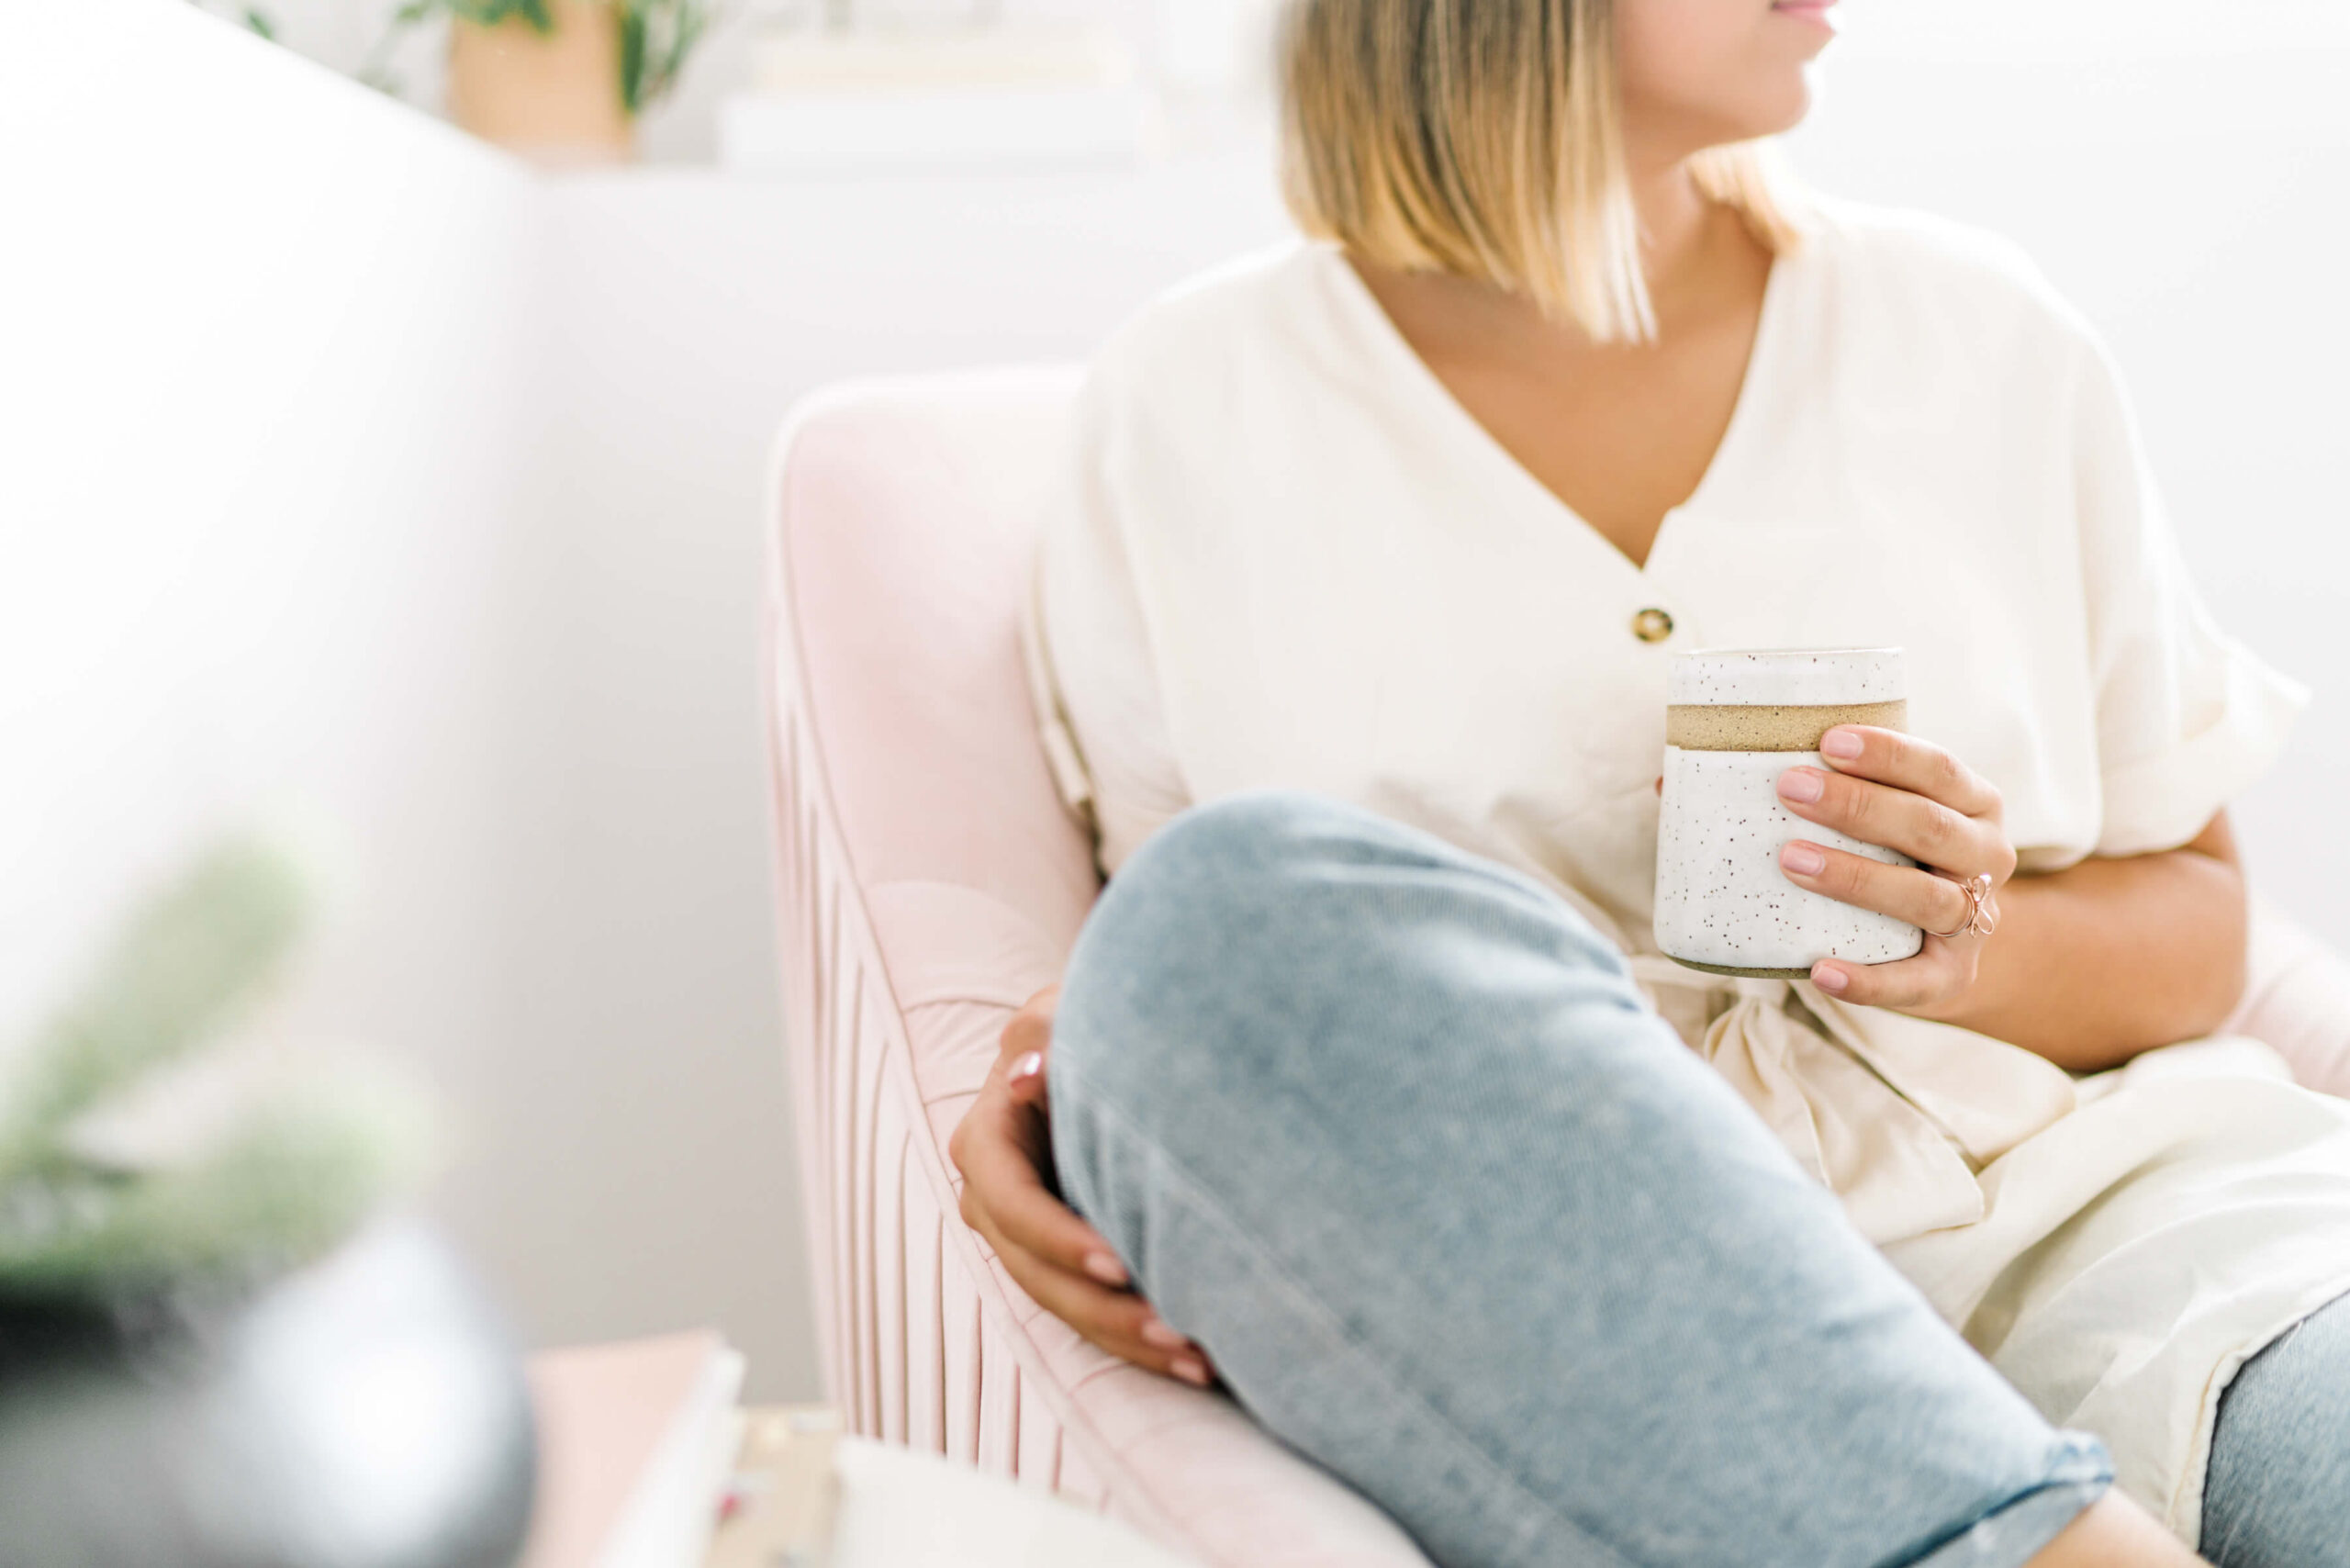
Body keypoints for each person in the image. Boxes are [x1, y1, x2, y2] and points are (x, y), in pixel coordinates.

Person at [947, 2, 2350, 1563]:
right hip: (1595, 1311)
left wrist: (1966, 942)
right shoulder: (1191, 408)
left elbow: (2204, 926)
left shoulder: (1984, 336)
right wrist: (1066, 1072)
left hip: (2118, 1230)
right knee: (1225, 917)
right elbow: (1230, 987)